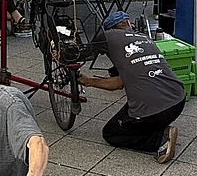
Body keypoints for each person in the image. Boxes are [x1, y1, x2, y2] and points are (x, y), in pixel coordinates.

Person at [78, 11, 186, 163]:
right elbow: (119, 82)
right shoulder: (146, 38)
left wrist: (62, 57)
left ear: (110, 28)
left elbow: (82, 54)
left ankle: (160, 139)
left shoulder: (106, 36)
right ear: (128, 24)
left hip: (155, 109)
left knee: (111, 133)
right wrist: (90, 82)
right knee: (132, 108)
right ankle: (154, 126)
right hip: (178, 99)